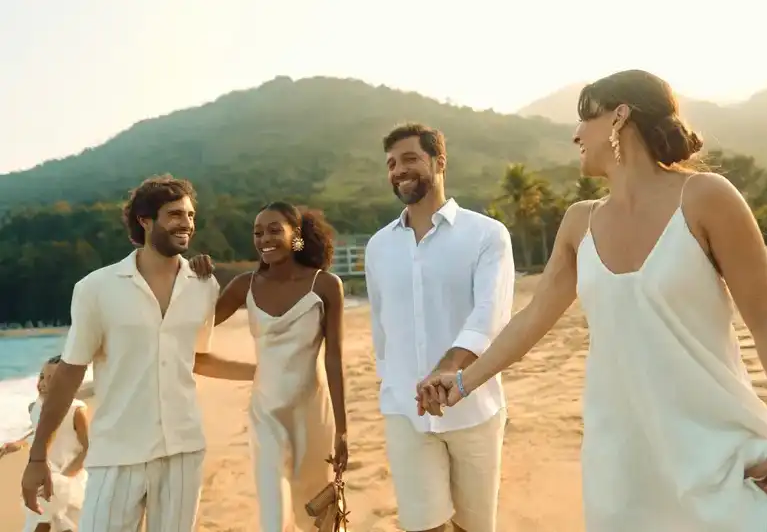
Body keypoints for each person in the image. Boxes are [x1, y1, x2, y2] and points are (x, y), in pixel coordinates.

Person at [417, 69, 767, 531]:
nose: (576, 134)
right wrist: (460, 382)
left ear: (620, 117)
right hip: (621, 459)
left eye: (586, 118)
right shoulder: (580, 223)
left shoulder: (706, 198)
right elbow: (530, 322)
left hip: (715, 445)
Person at [20, 175, 255, 532]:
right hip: (118, 452)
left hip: (183, 449)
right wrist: (38, 455)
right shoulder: (96, 288)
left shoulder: (203, 285)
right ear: (144, 220)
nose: (187, 224)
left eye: (191, 216)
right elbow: (70, 372)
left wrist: (262, 370)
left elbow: (195, 357)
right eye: (175, 215)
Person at [365, 123, 515, 532]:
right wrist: (391, 382)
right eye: (392, 163)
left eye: (410, 158)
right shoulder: (378, 246)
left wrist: (447, 369)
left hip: (473, 408)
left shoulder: (487, 235)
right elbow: (381, 325)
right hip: (405, 410)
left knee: (473, 528)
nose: (398, 170)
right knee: (423, 526)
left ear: (439, 161)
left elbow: (490, 313)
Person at [188, 201, 348, 532]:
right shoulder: (245, 285)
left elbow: (334, 358)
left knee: (318, 514)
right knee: (273, 514)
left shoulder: (326, 286)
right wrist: (195, 280)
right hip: (266, 414)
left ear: (297, 235)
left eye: (275, 229)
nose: (264, 238)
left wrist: (343, 429)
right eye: (257, 232)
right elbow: (193, 329)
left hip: (314, 414)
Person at [1, 356, 88, 532]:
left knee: (63, 524)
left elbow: (88, 448)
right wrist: (18, 444)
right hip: (43, 475)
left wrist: (65, 477)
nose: (43, 383)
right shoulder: (34, 407)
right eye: (41, 377)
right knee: (41, 520)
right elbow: (38, 434)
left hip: (68, 476)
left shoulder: (77, 410)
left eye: (51, 379)